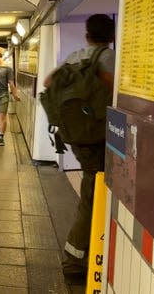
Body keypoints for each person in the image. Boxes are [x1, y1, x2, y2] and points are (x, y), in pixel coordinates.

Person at [43, 14, 115, 282]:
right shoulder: (108, 59)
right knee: (91, 194)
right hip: (100, 136)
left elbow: (49, 82)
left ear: (87, 34)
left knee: (93, 189)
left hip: (76, 136)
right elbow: (115, 94)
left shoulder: (76, 56)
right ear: (110, 36)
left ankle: (93, 247)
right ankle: (74, 261)